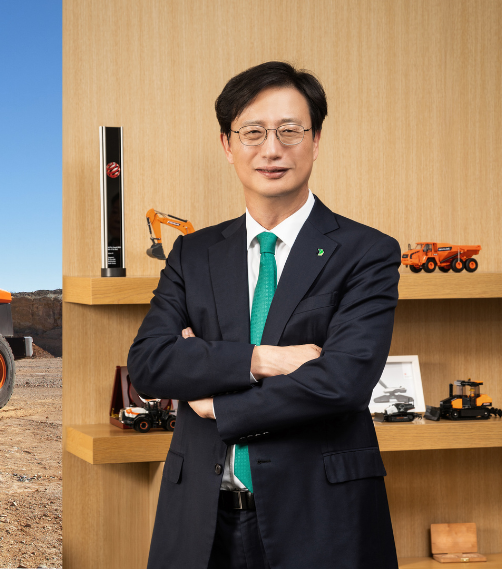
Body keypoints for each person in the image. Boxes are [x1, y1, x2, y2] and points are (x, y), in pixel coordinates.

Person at [128, 61, 401, 569]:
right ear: (228, 145)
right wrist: (263, 360)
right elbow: (149, 364)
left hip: (321, 521)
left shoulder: (367, 252)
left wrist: (216, 403)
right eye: (252, 132)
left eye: (289, 131)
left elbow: (343, 381)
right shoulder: (192, 253)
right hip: (199, 523)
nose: (271, 149)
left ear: (315, 139)